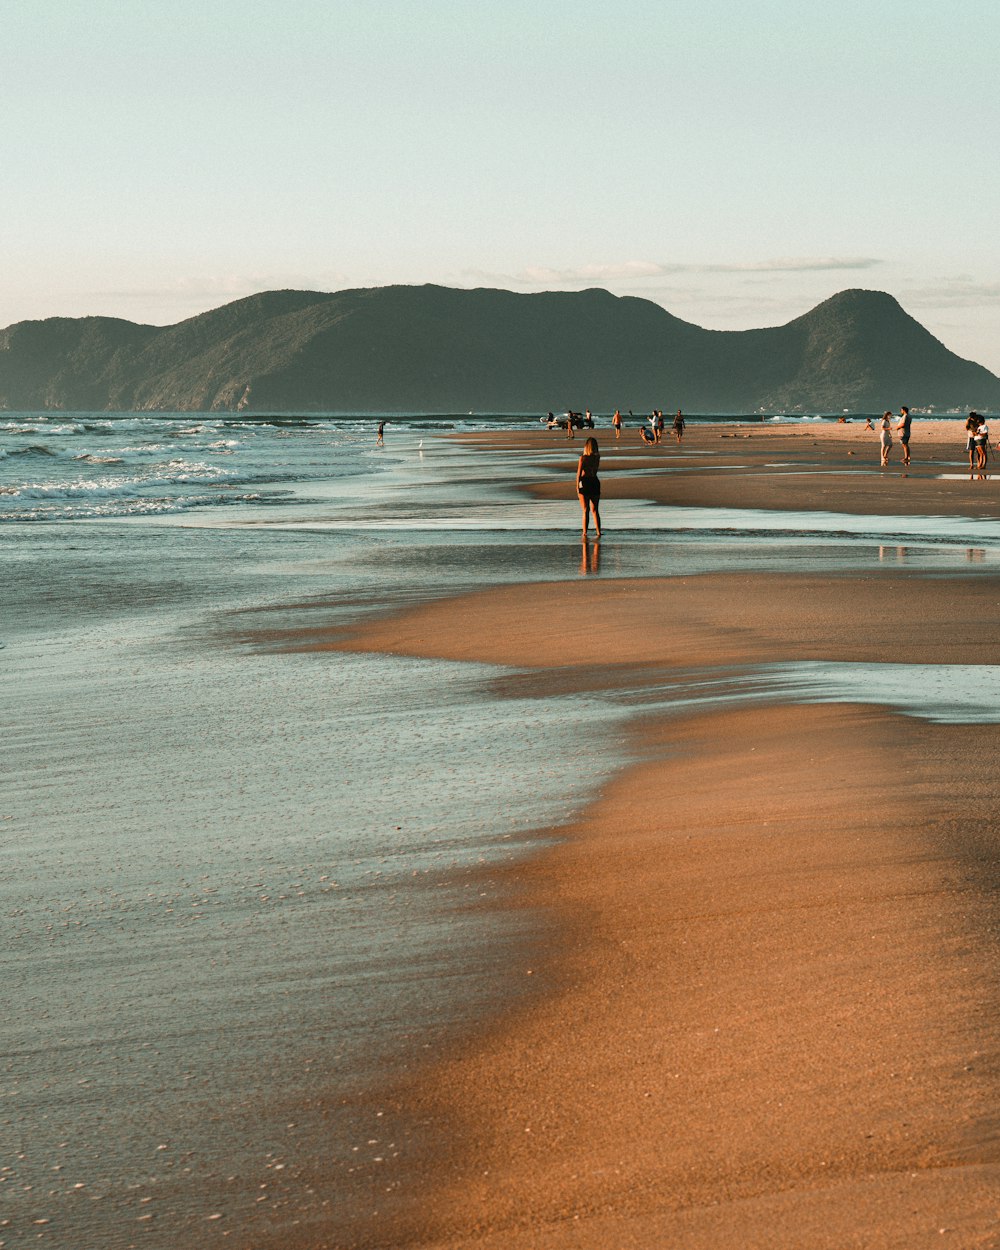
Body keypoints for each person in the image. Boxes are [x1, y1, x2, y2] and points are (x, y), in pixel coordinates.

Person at [576, 436, 601, 538]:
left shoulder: (583, 458)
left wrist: (577, 487)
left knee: (585, 510)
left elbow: (578, 474)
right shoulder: (597, 457)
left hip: (585, 482)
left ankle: (585, 532)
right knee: (595, 510)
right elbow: (595, 471)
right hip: (594, 481)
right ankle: (598, 531)